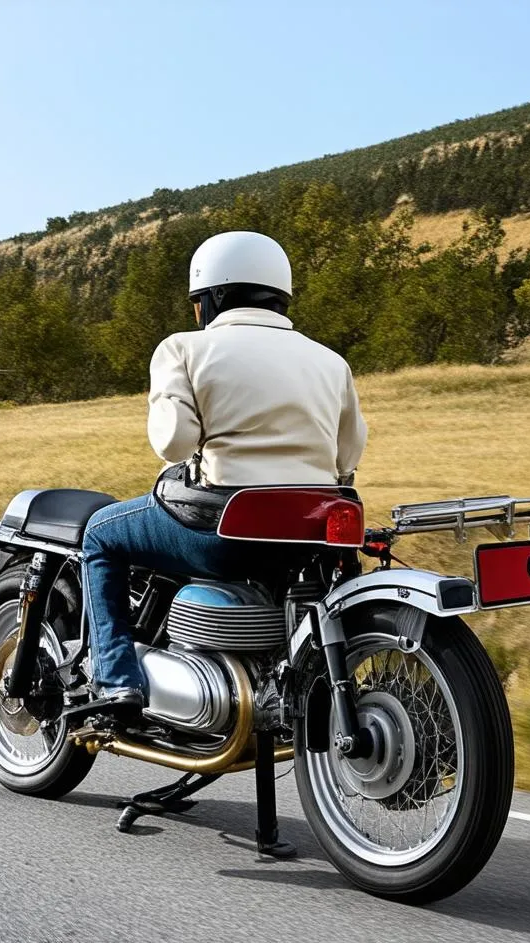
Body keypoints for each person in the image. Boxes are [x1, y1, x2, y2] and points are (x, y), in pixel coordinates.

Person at [81, 230, 368, 714]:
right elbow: (347, 457)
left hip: (224, 531)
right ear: (279, 295)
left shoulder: (183, 349)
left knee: (99, 536)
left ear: (210, 299)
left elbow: (172, 443)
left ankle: (116, 680)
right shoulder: (331, 361)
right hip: (310, 531)